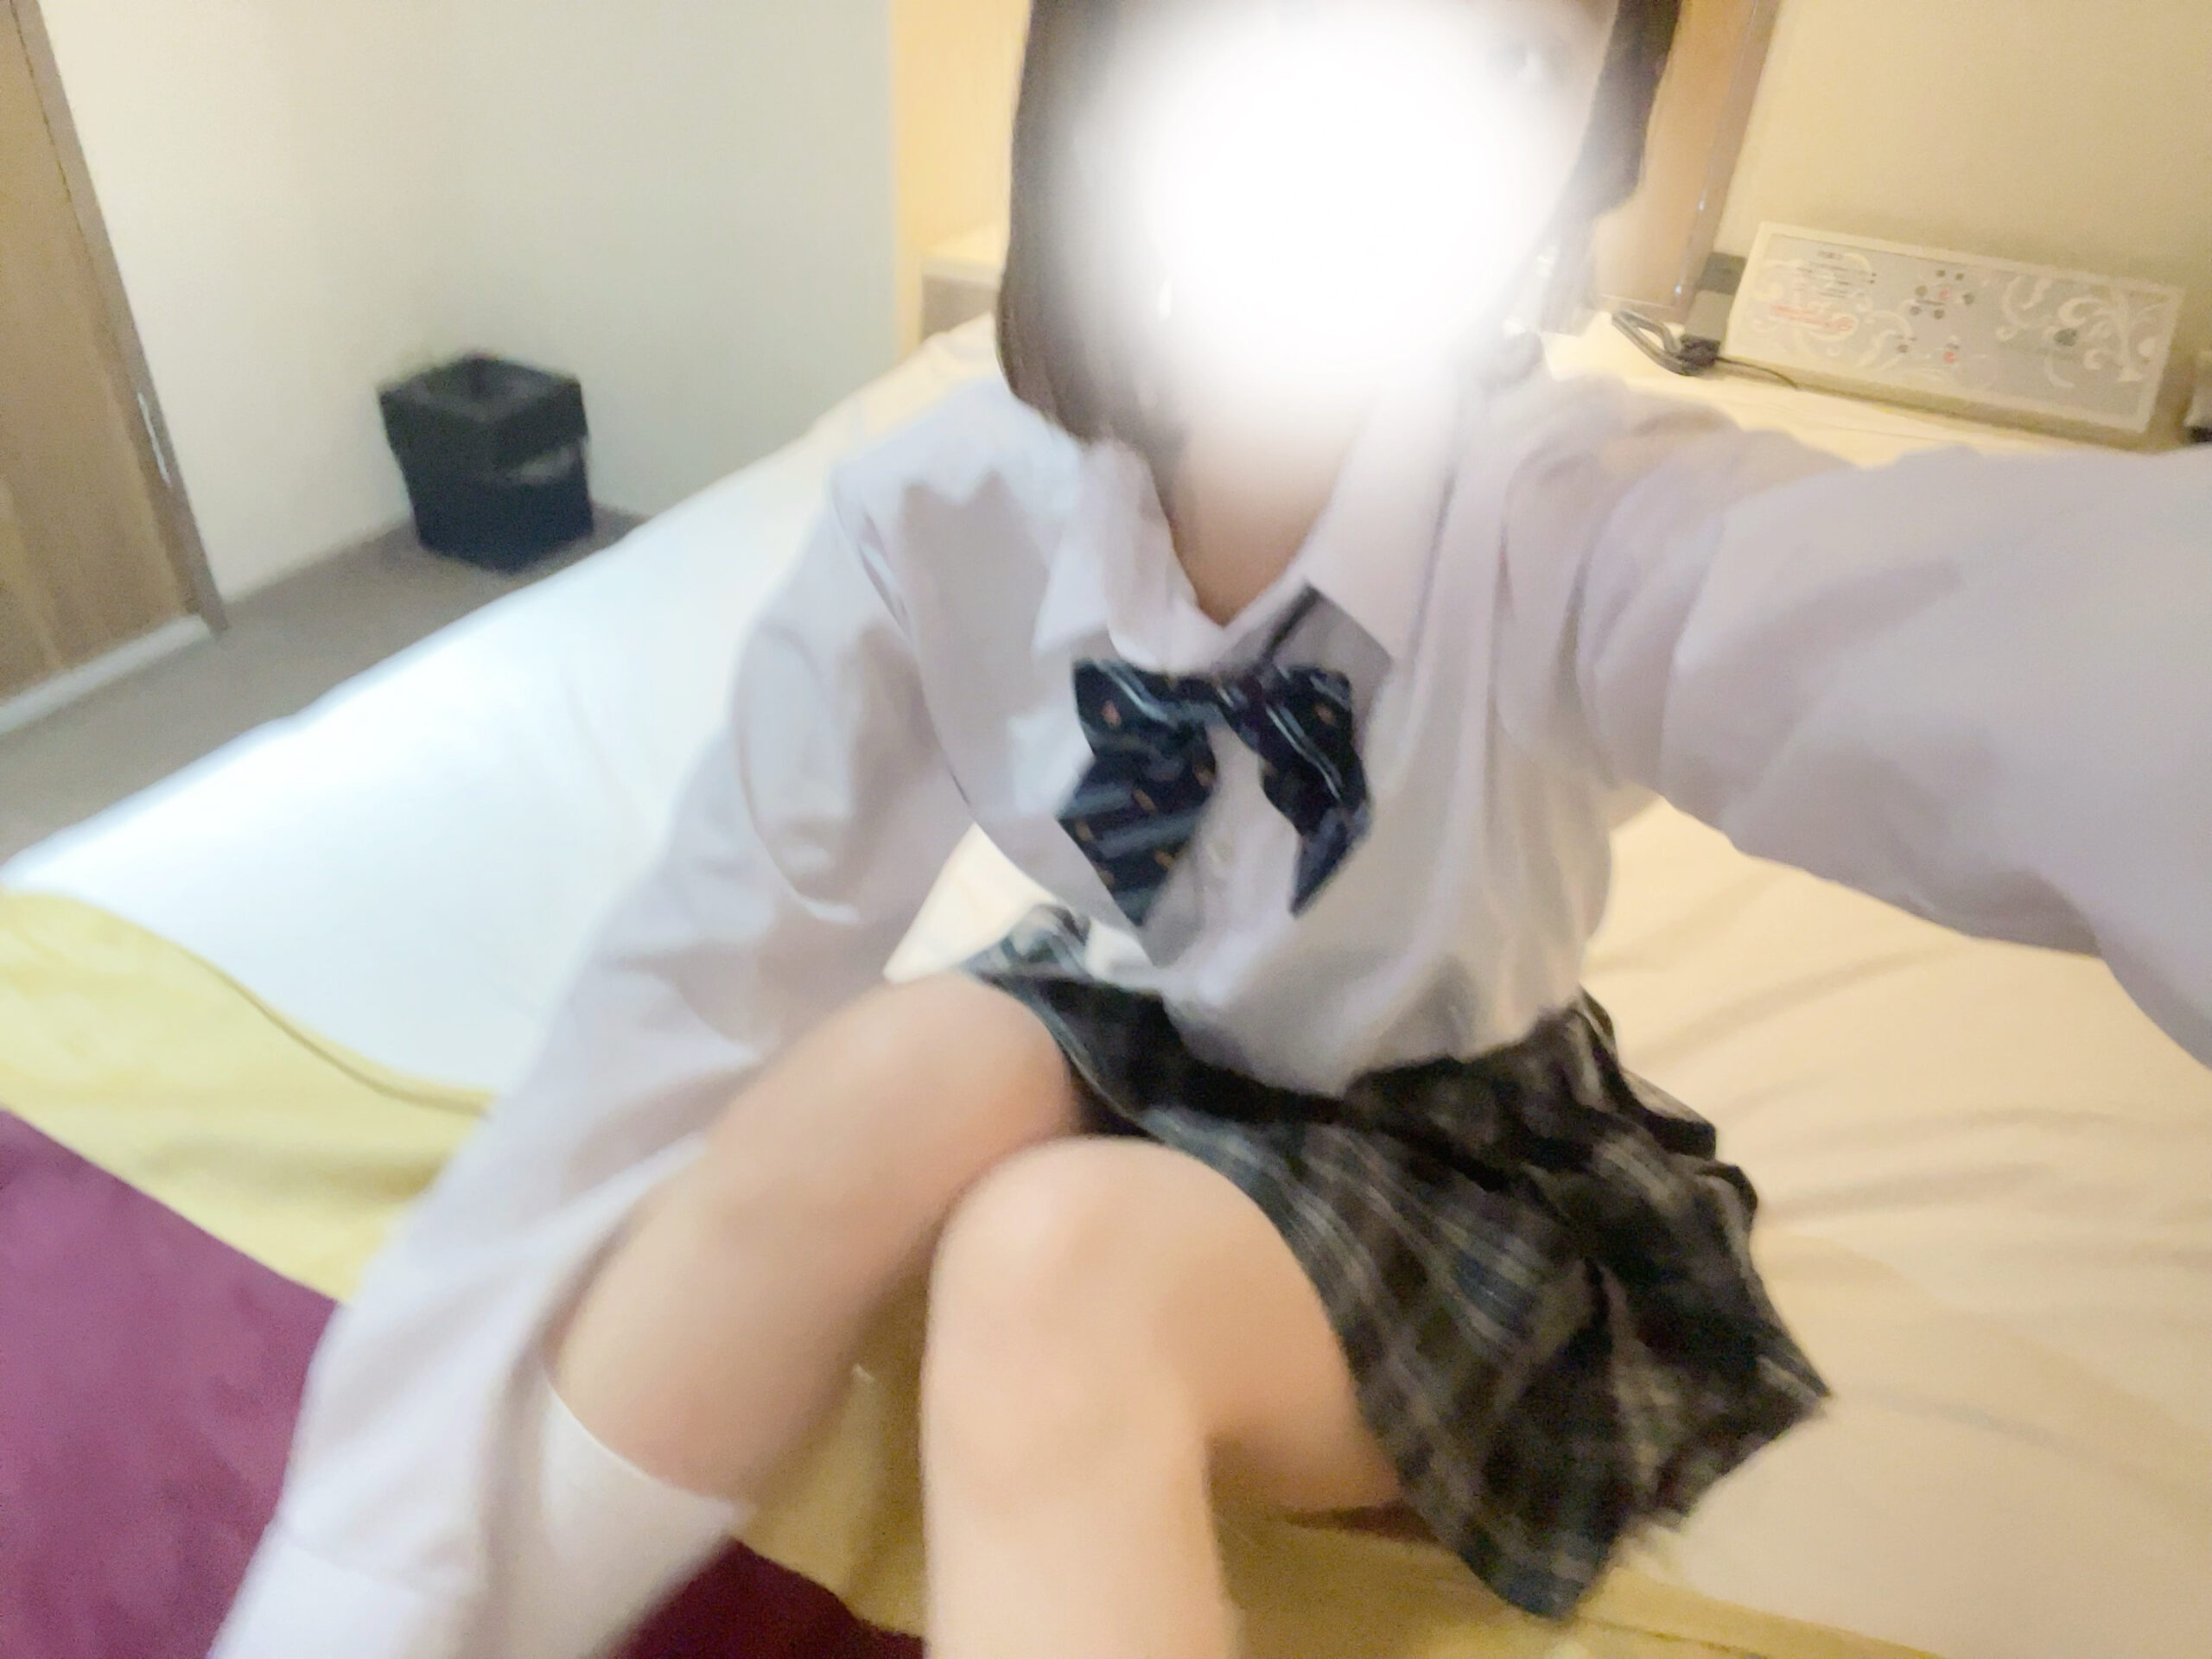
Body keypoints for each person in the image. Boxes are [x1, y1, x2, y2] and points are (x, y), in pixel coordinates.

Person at [216, 1, 2212, 1656]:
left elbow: (1963, 642)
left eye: (1504, 59)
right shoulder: (945, 509)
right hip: (1134, 1027)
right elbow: (685, 994)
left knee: (1054, 1270)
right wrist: (362, 1554)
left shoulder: (1572, 521)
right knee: (859, 1077)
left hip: (1442, 1146)